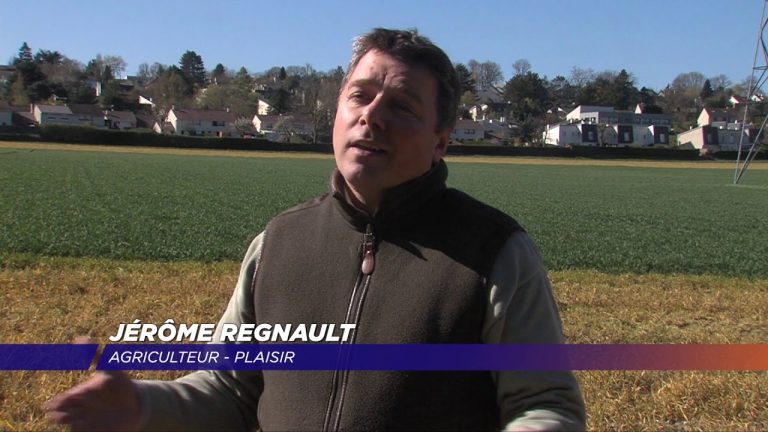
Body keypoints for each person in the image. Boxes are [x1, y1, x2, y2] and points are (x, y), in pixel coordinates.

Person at [45, 28, 585, 431]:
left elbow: (543, 405)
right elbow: (230, 389)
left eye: (401, 106)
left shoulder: (492, 253)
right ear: (337, 113)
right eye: (360, 95)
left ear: (441, 141)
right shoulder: (278, 244)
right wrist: (141, 406)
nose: (371, 116)